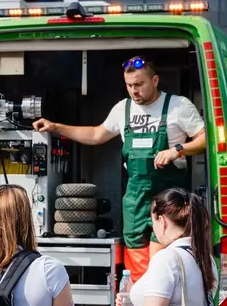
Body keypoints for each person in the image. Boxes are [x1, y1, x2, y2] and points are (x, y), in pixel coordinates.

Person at [32, 56, 207, 280]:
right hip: (135, 200)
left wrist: (177, 150)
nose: (134, 91)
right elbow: (96, 134)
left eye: (139, 84)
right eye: (129, 85)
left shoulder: (178, 106)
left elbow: (205, 139)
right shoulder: (123, 109)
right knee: (136, 264)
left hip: (168, 199)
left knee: (162, 262)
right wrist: (56, 127)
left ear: (154, 80)